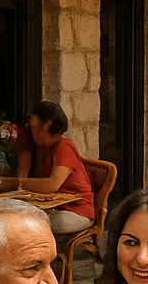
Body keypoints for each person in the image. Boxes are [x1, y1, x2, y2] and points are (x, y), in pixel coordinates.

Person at [6, 101, 94, 235]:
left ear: (46, 125)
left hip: (74, 212)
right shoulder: (42, 147)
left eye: (34, 124)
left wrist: (17, 182)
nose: (31, 128)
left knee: (27, 223)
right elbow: (23, 148)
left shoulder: (64, 146)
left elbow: (52, 185)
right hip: (53, 207)